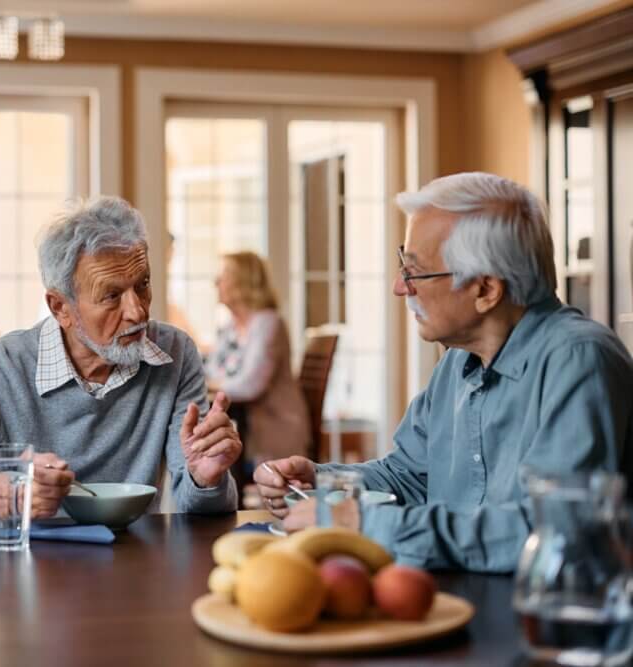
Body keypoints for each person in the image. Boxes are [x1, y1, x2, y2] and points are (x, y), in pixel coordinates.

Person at [255, 172, 633, 573]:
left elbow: (548, 533)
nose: (400, 288)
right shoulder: (458, 361)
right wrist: (321, 484)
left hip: (552, 623)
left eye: (415, 272)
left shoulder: (579, 360)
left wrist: (361, 524)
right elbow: (411, 477)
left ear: (486, 290)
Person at [0, 197, 243, 526]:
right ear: (60, 308)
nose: (137, 311)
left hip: (135, 567)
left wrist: (205, 480)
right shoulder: (1, 367)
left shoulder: (175, 353)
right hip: (24, 572)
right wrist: (8, 492)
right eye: (111, 295)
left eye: (143, 285)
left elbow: (200, 507)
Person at [205, 252, 312, 465]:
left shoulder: (268, 323)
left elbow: (250, 385)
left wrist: (212, 384)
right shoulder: (230, 327)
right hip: (243, 424)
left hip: (276, 426)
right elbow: (210, 372)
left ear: (244, 282)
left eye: (224, 275)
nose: (215, 282)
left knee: (215, 449)